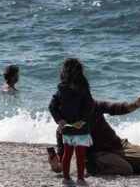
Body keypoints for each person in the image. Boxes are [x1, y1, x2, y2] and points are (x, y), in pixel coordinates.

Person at [48, 95, 140, 176]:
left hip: (120, 146)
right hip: (98, 155)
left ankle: (122, 163)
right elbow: (61, 164)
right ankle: (94, 170)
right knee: (126, 170)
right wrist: (55, 167)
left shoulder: (92, 105)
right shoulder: (62, 131)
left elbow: (116, 108)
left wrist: (136, 104)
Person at [49, 58, 94, 186]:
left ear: (64, 72)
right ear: (80, 73)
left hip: (67, 128)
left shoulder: (61, 89)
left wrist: (59, 120)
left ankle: (66, 178)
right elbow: (90, 107)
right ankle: (80, 179)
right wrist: (83, 120)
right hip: (81, 128)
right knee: (80, 154)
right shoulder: (84, 89)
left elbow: (52, 106)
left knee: (67, 153)